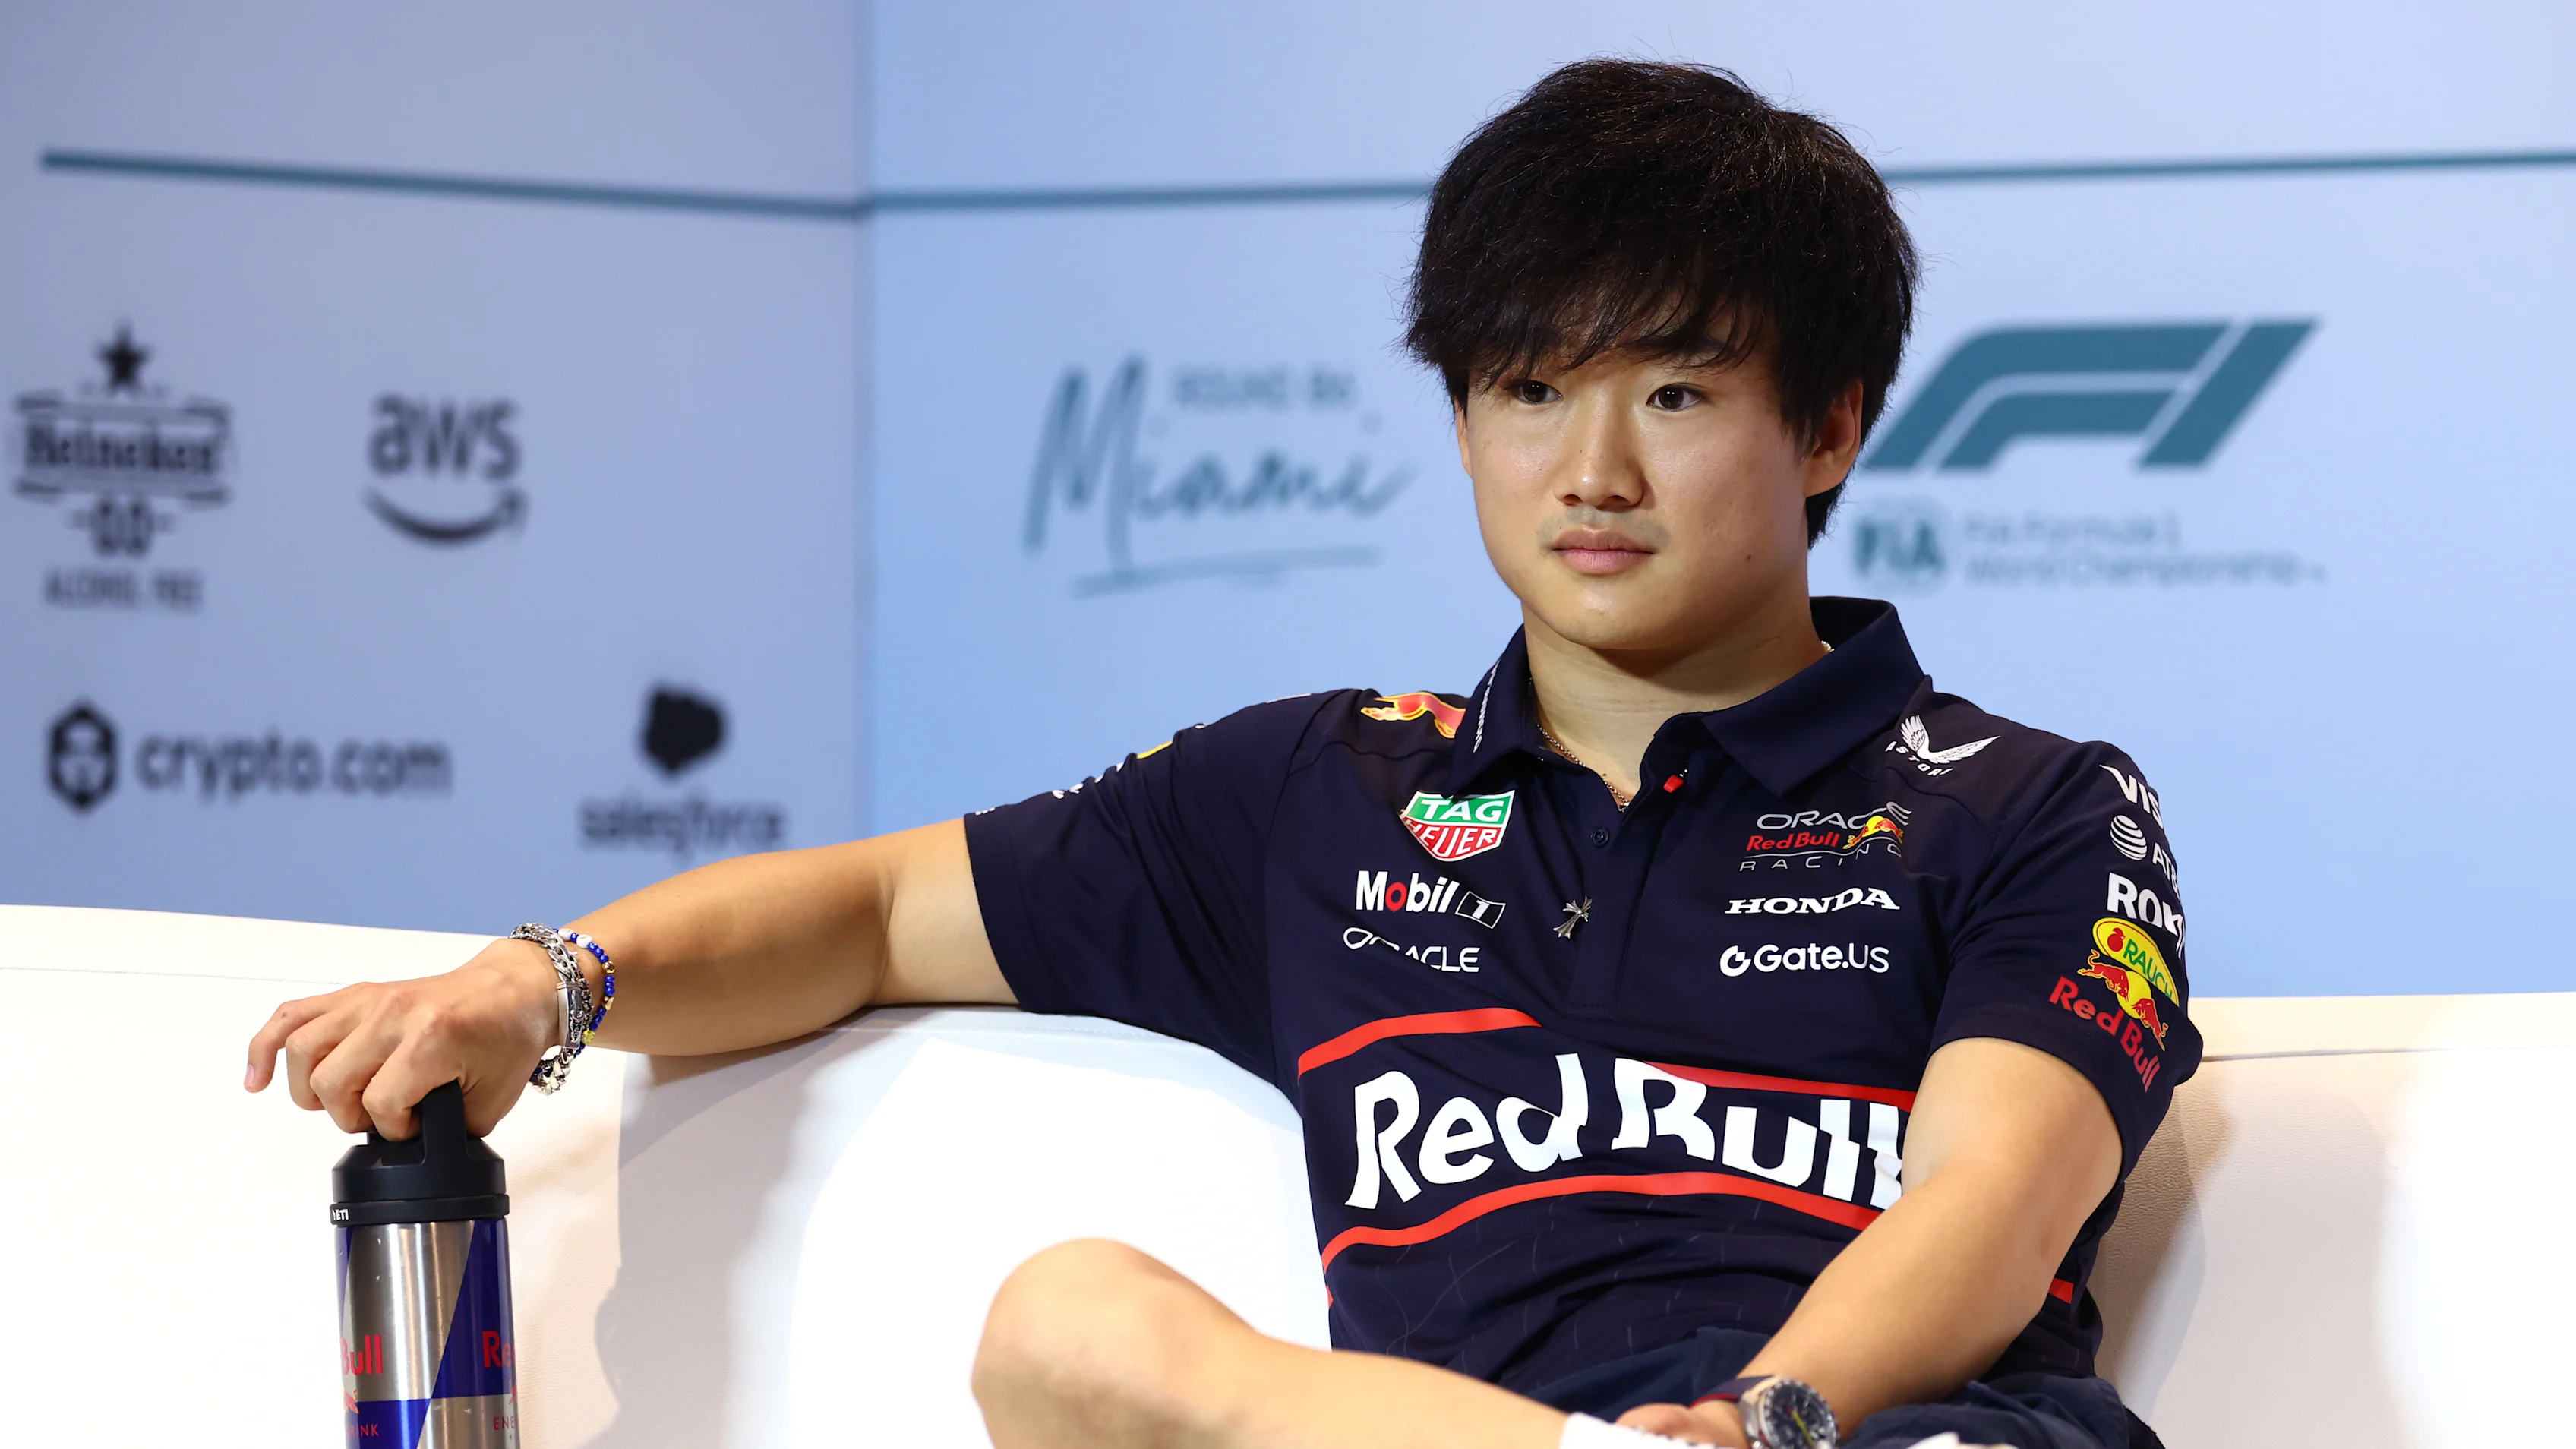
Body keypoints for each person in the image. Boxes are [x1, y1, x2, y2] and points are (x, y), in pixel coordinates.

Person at [247, 60, 2196, 1449]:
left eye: (1674, 393)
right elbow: (863, 910)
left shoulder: (2026, 800)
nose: (1589, 472)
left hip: (1877, 1440)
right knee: (1072, 1323)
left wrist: (1769, 1425)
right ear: (1459, 419)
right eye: (1528, 390)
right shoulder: (1314, 796)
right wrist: (544, 982)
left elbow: (1988, 1204)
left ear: (1831, 426)